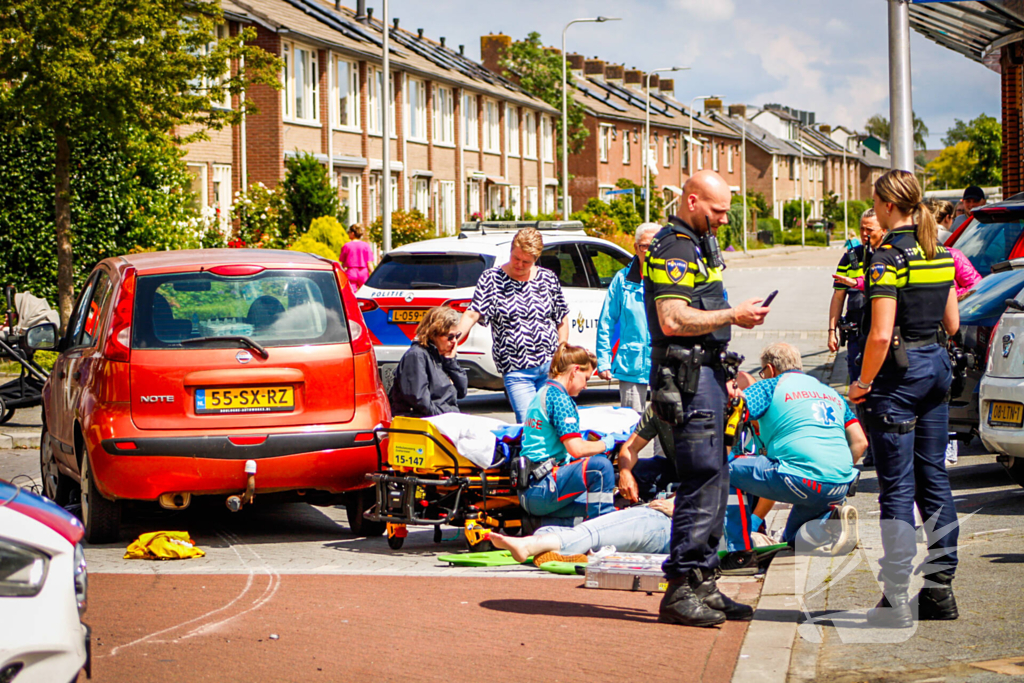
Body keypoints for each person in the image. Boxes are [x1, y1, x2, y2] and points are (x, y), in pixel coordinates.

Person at [643, 169, 769, 628]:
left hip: (707, 372)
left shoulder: (697, 243)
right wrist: (734, 313)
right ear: (692, 201)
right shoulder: (675, 246)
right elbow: (673, 318)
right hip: (687, 377)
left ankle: (703, 583)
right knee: (699, 478)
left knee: (715, 477)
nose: (722, 220)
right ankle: (679, 589)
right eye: (716, 211)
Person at [848, 169, 961, 628]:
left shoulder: (886, 258)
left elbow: (878, 335)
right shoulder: (941, 252)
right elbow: (952, 324)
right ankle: (939, 590)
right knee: (933, 480)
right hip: (935, 368)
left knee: (895, 487)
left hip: (899, 376)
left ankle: (895, 598)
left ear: (889, 206)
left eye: (875, 204)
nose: (873, 211)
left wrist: (861, 383)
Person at [721, 343, 867, 574]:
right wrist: (831, 472)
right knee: (793, 541)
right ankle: (830, 521)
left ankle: (740, 553)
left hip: (798, 479)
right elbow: (860, 442)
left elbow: (734, 413)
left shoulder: (769, 387)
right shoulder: (830, 393)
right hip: (838, 486)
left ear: (770, 369)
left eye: (762, 372)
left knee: (722, 471)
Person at [456, 228, 569, 423]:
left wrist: (562, 349)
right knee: (530, 424)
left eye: (526, 262)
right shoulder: (491, 279)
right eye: (516, 258)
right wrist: (454, 337)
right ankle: (531, 454)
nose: (519, 264)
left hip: (550, 367)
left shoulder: (547, 278)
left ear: (536, 258)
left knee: (553, 422)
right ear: (511, 251)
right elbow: (473, 313)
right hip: (517, 370)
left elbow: (561, 317)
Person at [517, 343, 617, 525]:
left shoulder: (543, 392)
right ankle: (604, 534)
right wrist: (607, 443)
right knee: (601, 468)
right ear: (575, 371)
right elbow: (577, 449)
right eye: (586, 378)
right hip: (543, 485)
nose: (586, 386)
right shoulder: (560, 399)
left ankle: (546, 524)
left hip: (531, 488)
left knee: (588, 509)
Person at [490, 498, 676, 565]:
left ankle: (528, 545)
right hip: (659, 518)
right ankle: (581, 553)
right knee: (546, 531)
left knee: (590, 533)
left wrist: (677, 509)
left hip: (666, 523)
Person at [596, 223, 660, 412]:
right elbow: (606, 321)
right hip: (631, 365)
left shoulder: (671, 278)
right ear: (636, 248)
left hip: (663, 365)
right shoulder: (622, 280)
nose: (649, 252)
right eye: (645, 246)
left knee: (664, 432)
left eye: (655, 246)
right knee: (632, 429)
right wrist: (604, 360)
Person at [828, 209, 884, 385]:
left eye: (870, 230)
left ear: (883, 229)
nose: (865, 234)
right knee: (857, 382)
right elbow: (838, 297)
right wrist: (831, 332)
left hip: (882, 331)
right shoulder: (850, 258)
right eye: (862, 229)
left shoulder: (890, 255)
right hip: (856, 333)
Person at [388, 307, 468, 417]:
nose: (454, 341)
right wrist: (446, 416)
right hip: (424, 421)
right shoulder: (416, 356)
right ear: (434, 334)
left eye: (456, 336)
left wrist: (451, 362)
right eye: (450, 337)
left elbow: (462, 391)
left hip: (444, 417)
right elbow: (420, 402)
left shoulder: (441, 356)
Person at [616, 404, 676, 503]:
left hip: (702, 476)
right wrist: (625, 472)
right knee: (637, 469)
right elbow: (630, 447)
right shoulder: (656, 408)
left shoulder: (698, 409)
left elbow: (706, 469)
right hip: (676, 469)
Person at [339, 226, 375, 293]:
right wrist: (374, 273)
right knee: (365, 292)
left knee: (352, 293)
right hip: (363, 272)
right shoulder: (365, 245)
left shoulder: (347, 245)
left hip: (351, 271)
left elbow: (342, 261)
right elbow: (369, 262)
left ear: (353, 233)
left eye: (349, 232)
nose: (348, 234)